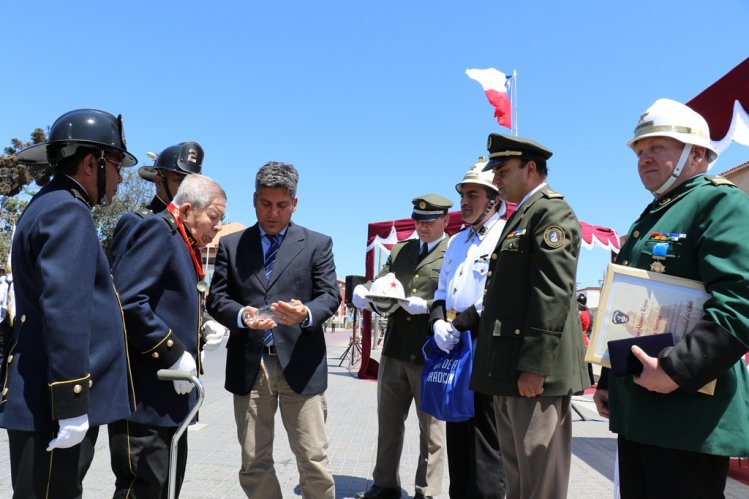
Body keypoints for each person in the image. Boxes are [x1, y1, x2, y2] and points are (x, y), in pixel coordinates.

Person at [593, 98, 749, 498]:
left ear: (696, 154)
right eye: (640, 151)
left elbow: (740, 301)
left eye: (657, 147)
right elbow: (625, 308)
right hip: (639, 407)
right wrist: (611, 378)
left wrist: (677, 370)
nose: (644, 158)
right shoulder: (652, 215)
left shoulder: (719, 202)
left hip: (688, 415)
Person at [0, 109, 137, 497]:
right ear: (92, 163)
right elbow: (65, 309)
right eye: (117, 165)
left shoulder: (52, 202)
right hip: (53, 403)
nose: (122, 177)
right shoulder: (67, 211)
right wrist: (72, 401)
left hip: (45, 397)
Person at [206, 161, 340, 499]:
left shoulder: (316, 244)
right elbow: (217, 298)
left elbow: (330, 295)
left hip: (301, 364)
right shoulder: (232, 246)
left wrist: (306, 313)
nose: (273, 213)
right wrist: (242, 316)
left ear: (295, 203)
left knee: (313, 458)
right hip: (252, 366)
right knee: (253, 460)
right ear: (254, 200)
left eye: (282, 205)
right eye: (266, 204)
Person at [470, 133, 588, 499]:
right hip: (511, 369)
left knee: (541, 481)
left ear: (531, 168)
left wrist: (535, 365)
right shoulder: (523, 214)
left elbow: (552, 293)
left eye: (503, 171)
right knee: (519, 477)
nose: (497, 180)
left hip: (535, 374)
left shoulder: (551, 212)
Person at [109, 174, 226, 498]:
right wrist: (173, 352)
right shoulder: (158, 231)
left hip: (167, 400)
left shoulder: (181, 240)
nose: (217, 227)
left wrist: (201, 328)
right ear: (188, 209)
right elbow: (129, 301)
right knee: (143, 488)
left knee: (165, 488)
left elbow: (167, 305)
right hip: (146, 397)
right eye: (214, 217)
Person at [352, 194, 451, 499]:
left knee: (432, 431)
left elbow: (460, 296)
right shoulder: (402, 249)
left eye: (430, 221)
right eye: (418, 221)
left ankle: (428, 491)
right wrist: (364, 291)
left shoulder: (454, 251)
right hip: (395, 350)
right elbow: (383, 282)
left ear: (445, 220)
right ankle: (385, 484)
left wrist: (431, 306)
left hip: (431, 352)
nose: (422, 226)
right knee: (389, 423)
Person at [429, 159, 511, 498]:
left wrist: (459, 324)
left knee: (485, 438)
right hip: (453, 342)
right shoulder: (456, 241)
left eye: (473, 194)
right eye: (463, 194)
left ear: (494, 198)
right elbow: (441, 289)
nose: (464, 202)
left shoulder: (505, 233)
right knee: (457, 431)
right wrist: (436, 321)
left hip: (485, 345)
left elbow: (497, 294)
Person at [110, 141, 203, 266]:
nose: (189, 189)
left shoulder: (188, 232)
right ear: (159, 182)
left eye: (192, 183)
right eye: (181, 181)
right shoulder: (137, 222)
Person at [577, 293, 596, 386]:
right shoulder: (590, 313)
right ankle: (591, 381)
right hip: (586, 338)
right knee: (588, 362)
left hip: (579, 338)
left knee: (579, 362)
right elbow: (590, 328)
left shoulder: (578, 312)